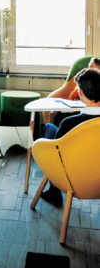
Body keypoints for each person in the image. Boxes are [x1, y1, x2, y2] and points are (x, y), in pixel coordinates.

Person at [41, 67, 100, 207]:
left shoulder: (69, 123)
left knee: (49, 129)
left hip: (72, 179)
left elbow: (56, 156)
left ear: (80, 92)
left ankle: (54, 192)